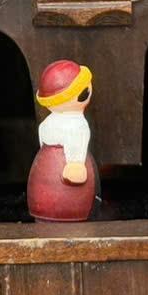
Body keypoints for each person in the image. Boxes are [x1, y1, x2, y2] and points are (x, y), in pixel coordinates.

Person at [27, 59, 97, 222]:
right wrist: (76, 165)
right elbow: (76, 160)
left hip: (43, 184)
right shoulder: (77, 125)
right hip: (68, 196)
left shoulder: (46, 124)